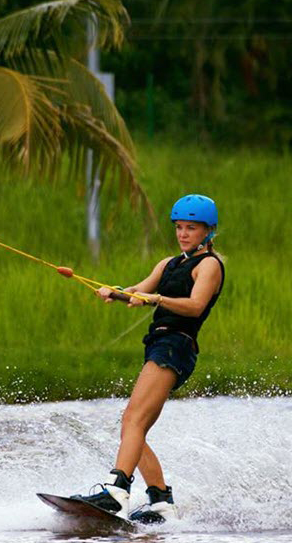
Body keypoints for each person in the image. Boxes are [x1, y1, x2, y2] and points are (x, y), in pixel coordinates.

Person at [77, 194, 225, 524]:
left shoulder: (209, 265)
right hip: (158, 343)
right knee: (133, 426)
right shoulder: (168, 264)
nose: (183, 234)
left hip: (176, 346)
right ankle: (161, 502)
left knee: (132, 419)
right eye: (179, 227)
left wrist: (155, 299)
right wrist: (115, 292)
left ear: (208, 231)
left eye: (191, 228)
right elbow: (138, 290)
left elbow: (195, 306)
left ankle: (117, 492)